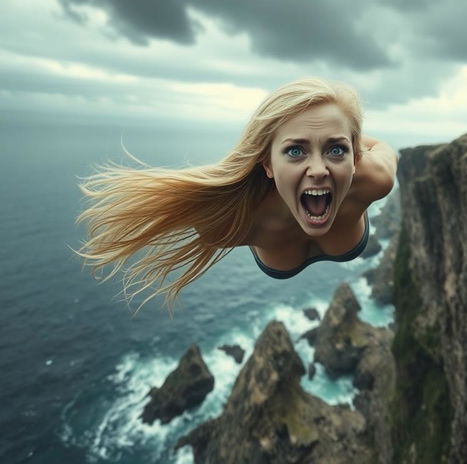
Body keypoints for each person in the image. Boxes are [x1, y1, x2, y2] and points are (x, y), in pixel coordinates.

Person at [75, 77, 398, 313]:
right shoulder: (228, 223)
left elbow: (384, 149)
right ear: (267, 164)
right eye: (296, 150)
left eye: (336, 149)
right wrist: (333, 133)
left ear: (356, 158)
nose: (318, 169)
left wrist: (344, 130)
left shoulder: (374, 179)